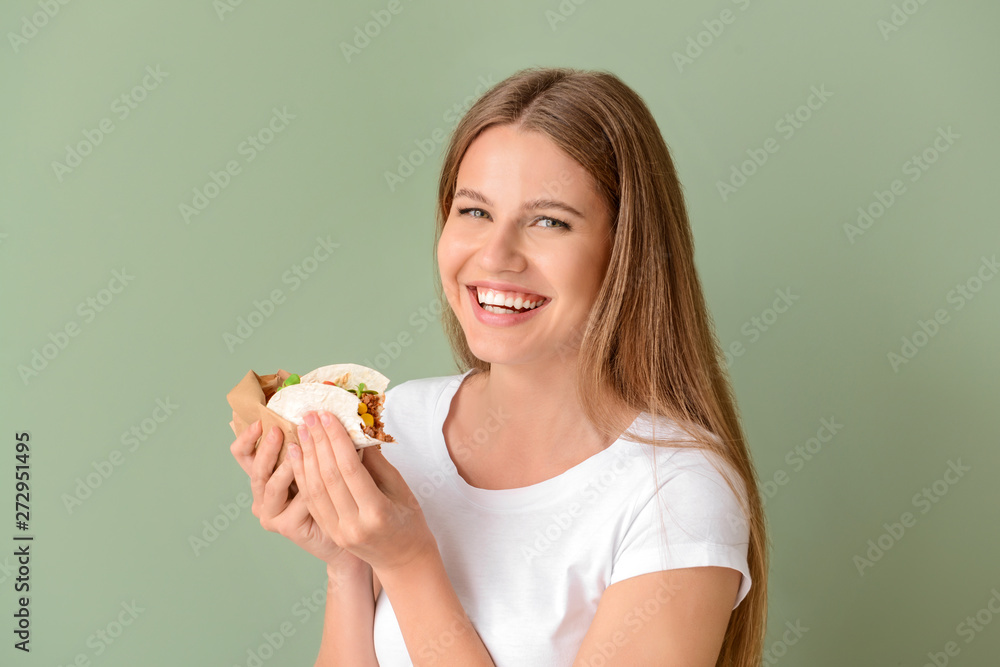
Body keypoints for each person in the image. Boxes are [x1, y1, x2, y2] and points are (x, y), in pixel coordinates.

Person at [229, 66, 768, 666]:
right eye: (475, 212)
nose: (495, 255)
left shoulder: (675, 492)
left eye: (549, 221)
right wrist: (349, 561)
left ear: (626, 251)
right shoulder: (400, 422)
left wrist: (408, 562)